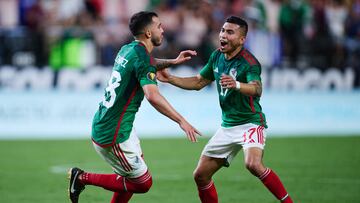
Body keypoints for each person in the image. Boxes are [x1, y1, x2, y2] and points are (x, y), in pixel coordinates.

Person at [67, 11, 201, 203]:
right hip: (113, 134)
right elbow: (152, 96)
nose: (163, 30)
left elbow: (147, 64)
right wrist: (182, 121)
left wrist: (173, 62)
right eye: (159, 26)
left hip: (115, 125)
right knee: (142, 183)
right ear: (148, 33)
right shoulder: (142, 58)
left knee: (132, 176)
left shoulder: (127, 49)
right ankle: (81, 178)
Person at [157, 16, 293, 203]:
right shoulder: (217, 56)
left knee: (253, 164)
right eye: (222, 30)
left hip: (251, 123)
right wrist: (171, 79)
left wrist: (237, 85)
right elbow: (198, 82)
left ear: (241, 39)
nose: (223, 35)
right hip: (227, 127)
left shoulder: (249, 62)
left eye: (230, 32)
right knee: (200, 175)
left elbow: (257, 88)